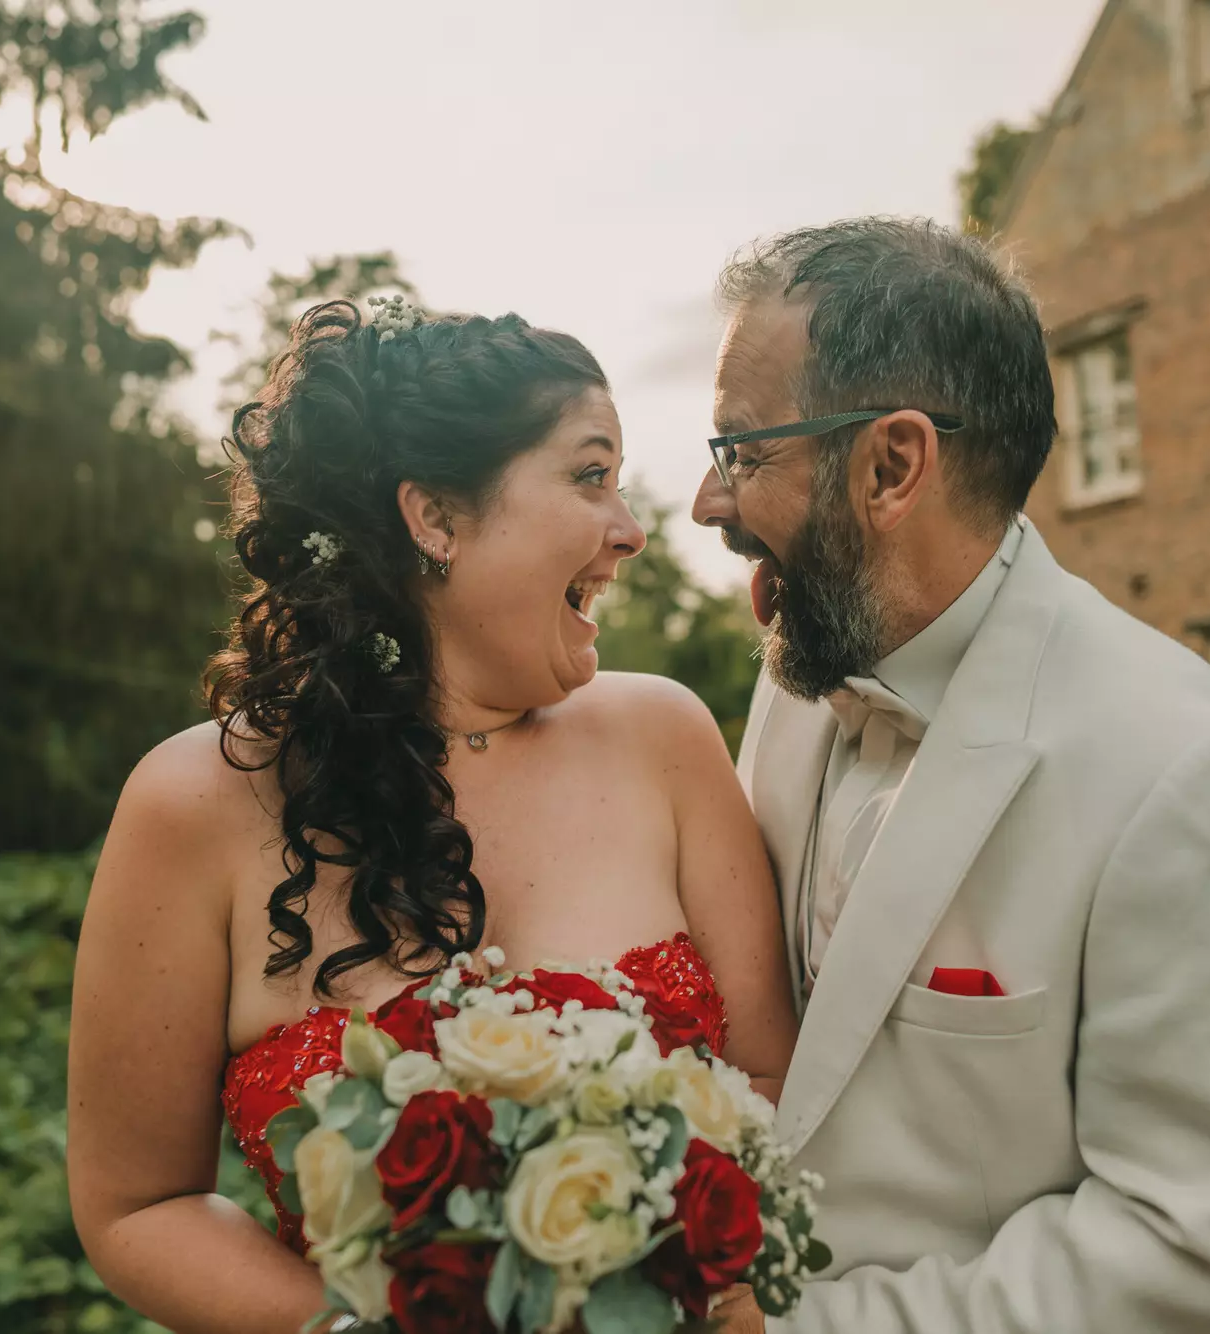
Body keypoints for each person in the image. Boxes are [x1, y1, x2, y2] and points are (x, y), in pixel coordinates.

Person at [66, 300, 796, 1333]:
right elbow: (136, 1204)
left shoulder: (666, 737)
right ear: (435, 518)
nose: (632, 528)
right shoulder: (194, 803)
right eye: (590, 474)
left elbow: (767, 1083)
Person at [692, 217, 1210, 1334]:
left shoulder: (1190, 771)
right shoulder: (792, 682)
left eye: (741, 453)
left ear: (890, 465)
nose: (709, 505)